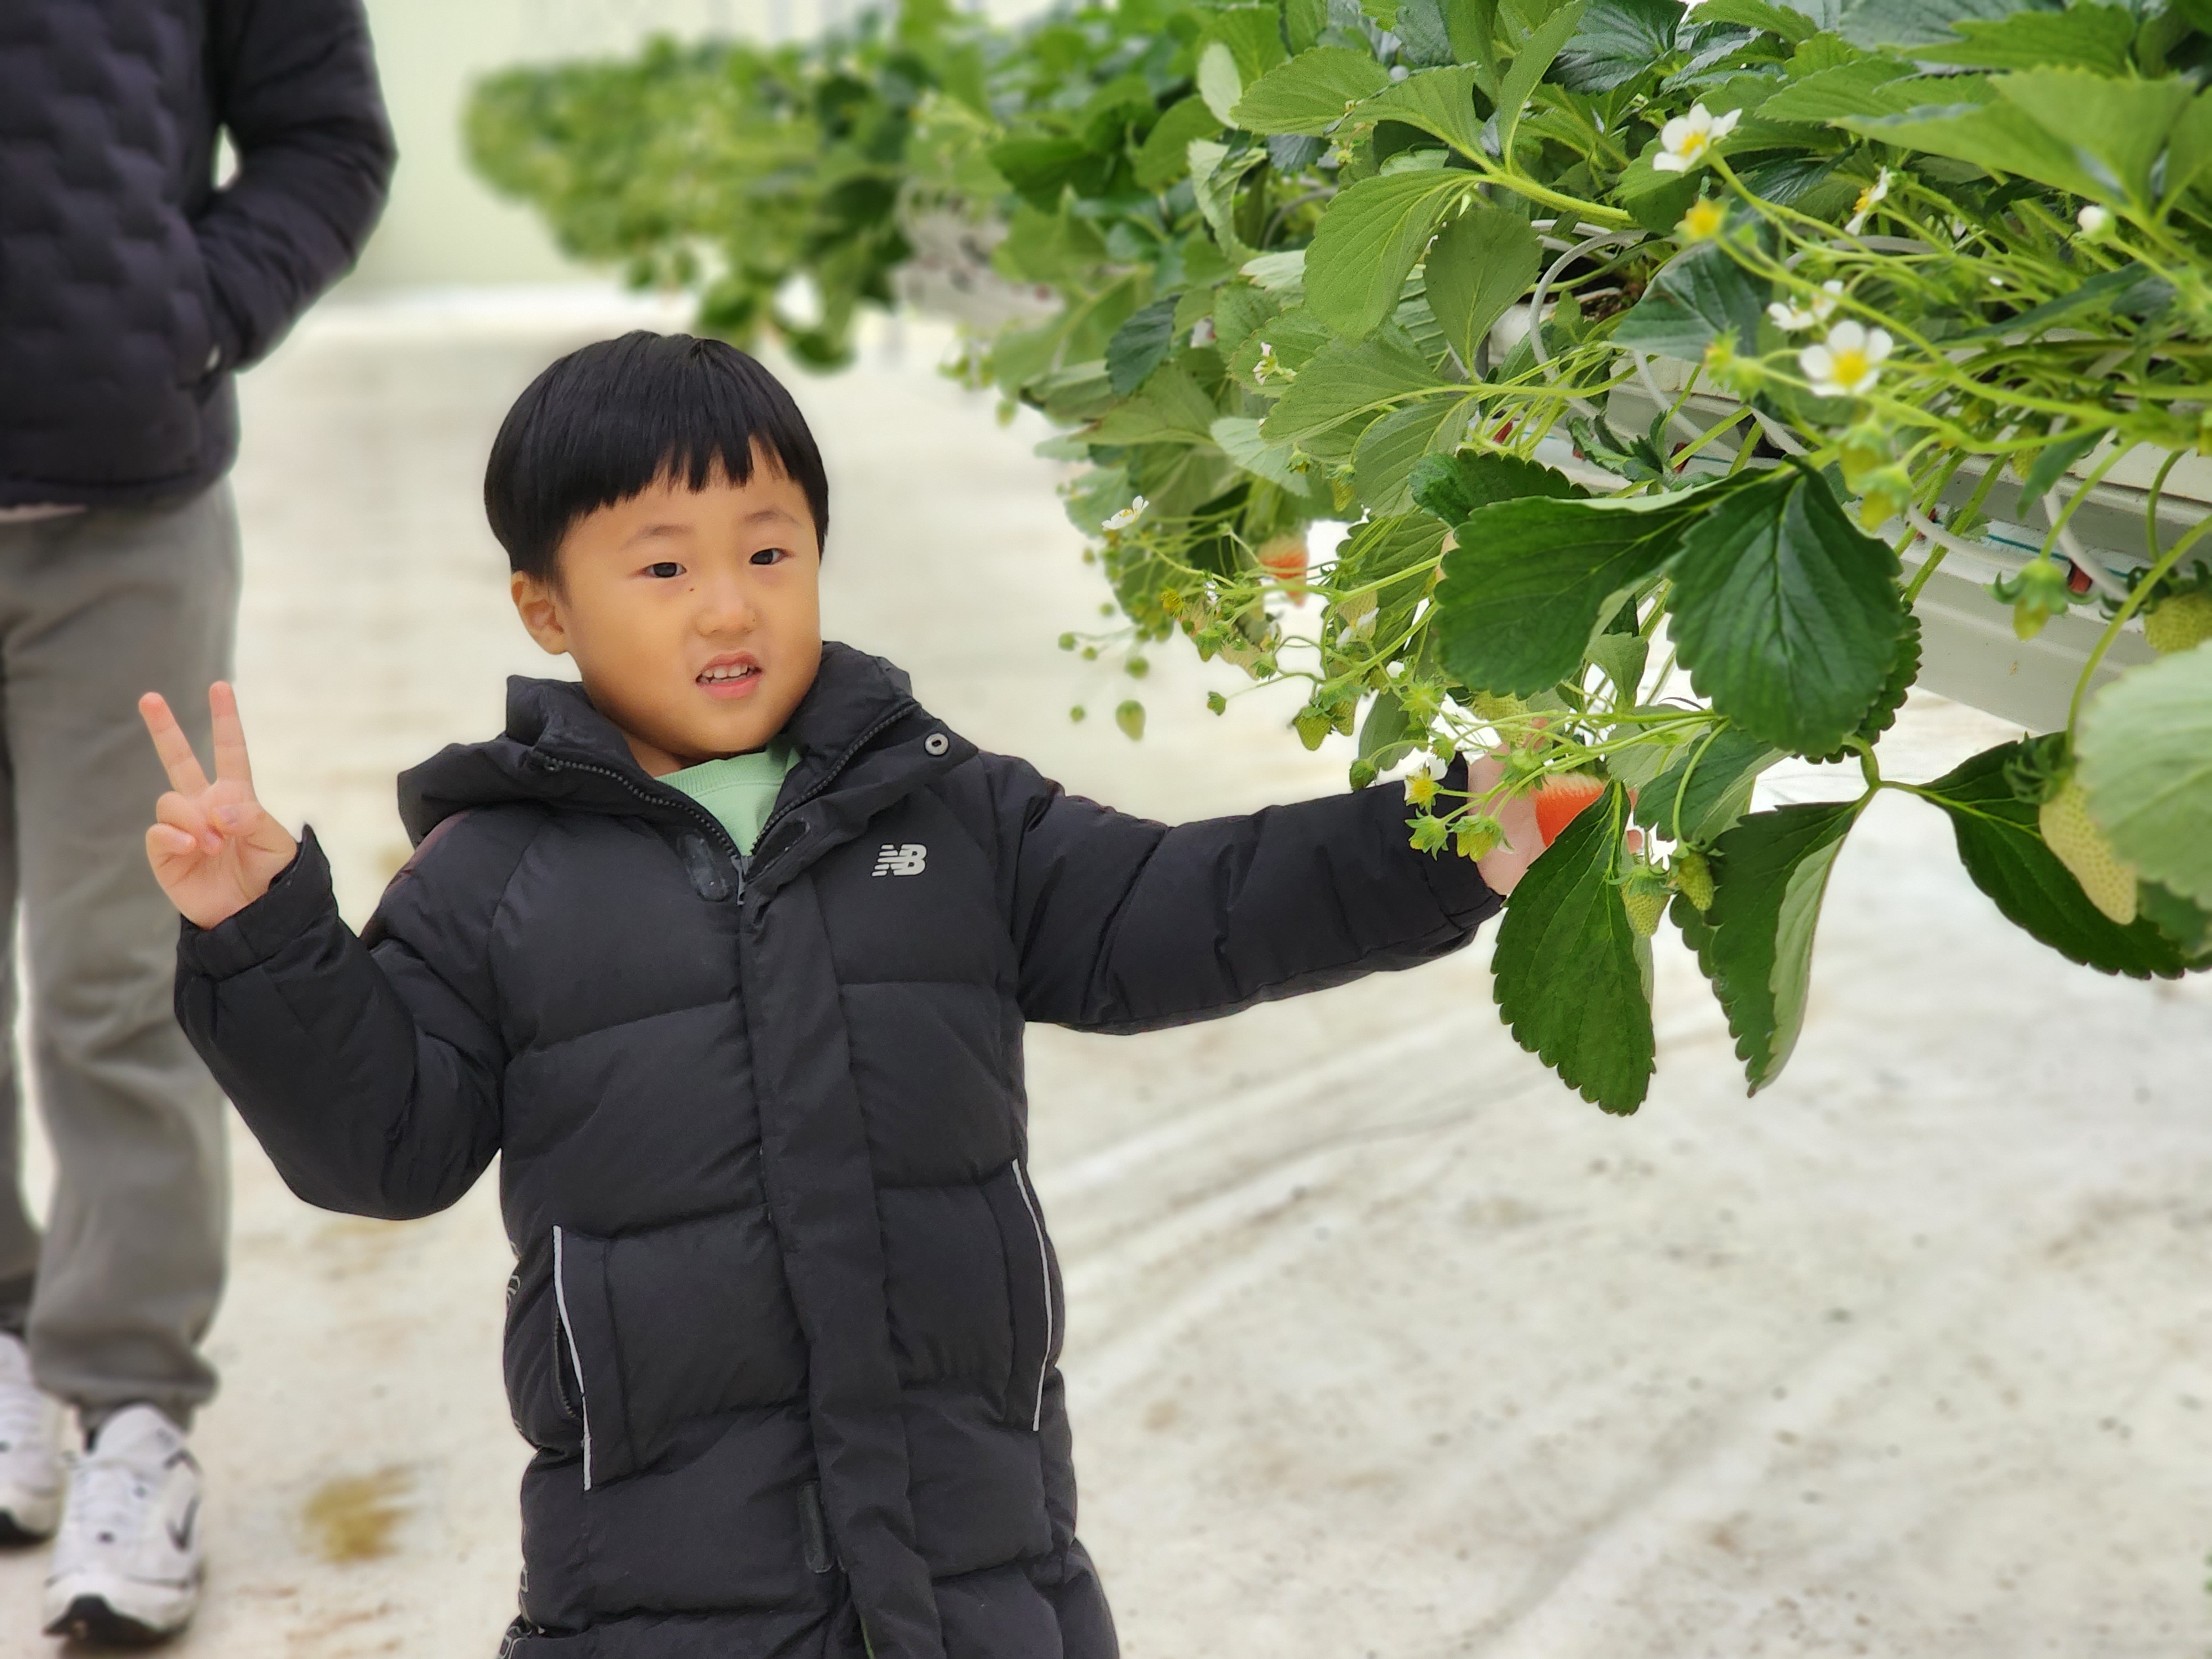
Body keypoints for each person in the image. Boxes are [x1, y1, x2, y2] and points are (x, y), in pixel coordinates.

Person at [138, 332, 1542, 1658]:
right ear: (546, 608)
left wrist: (1454, 833)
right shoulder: (493, 880)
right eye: (663, 567)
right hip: (658, 1592)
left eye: (769, 551)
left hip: (970, 1562)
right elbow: (385, 1147)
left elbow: (1189, 906)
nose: (729, 604)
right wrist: (263, 934)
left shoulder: (950, 814)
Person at [0, 0, 394, 1642]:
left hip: (124, 518)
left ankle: (131, 1412)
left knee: (119, 981)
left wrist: (186, 308)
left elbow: (327, 134)